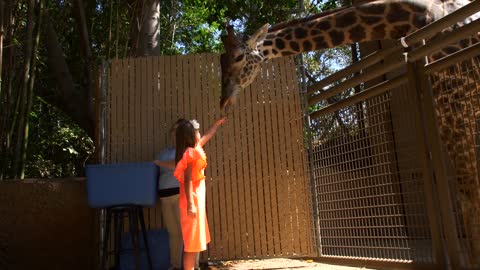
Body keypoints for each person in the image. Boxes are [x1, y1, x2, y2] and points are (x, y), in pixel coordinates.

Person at [174, 117, 227, 270]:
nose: (199, 133)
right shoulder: (190, 155)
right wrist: (191, 205)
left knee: (194, 245)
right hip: (192, 204)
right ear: (190, 136)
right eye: (196, 131)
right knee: (191, 246)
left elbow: (207, 135)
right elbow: (188, 180)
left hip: (195, 203)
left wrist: (216, 124)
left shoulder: (193, 150)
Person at [153, 119, 188, 270]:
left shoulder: (187, 150)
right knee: (173, 232)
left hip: (180, 194)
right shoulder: (164, 152)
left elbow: (178, 165)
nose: (174, 133)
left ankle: (192, 265)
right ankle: (174, 265)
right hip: (165, 196)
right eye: (173, 130)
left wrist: (160, 163)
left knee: (186, 232)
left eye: (177, 130)